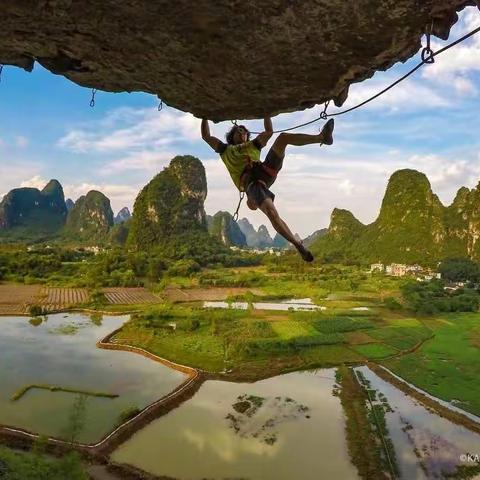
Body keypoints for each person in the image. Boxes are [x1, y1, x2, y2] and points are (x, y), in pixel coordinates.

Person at [201, 117, 334, 262]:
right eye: (239, 131)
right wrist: (204, 116)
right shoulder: (225, 150)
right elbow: (206, 136)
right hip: (251, 183)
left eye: (245, 132)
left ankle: (321, 137)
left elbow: (269, 131)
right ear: (231, 136)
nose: (243, 133)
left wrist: (266, 112)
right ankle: (298, 245)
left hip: (264, 171)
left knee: (282, 138)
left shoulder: (254, 144)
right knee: (271, 212)